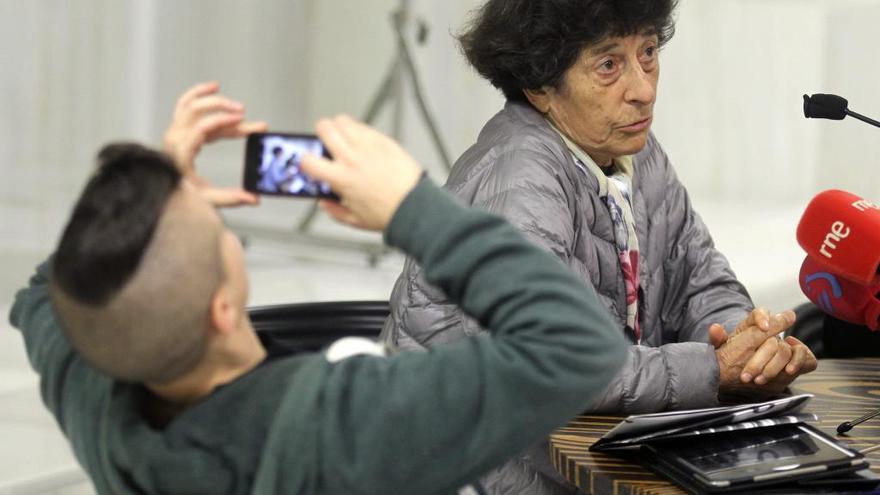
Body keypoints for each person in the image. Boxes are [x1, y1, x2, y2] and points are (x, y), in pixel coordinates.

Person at [9, 82, 632, 494]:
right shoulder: (343, 422)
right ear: (224, 310)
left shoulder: (97, 402)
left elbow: (44, 293)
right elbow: (579, 346)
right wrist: (413, 210)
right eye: (211, 225)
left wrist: (157, 196)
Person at [379, 1, 818, 492]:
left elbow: (696, 276)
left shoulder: (635, 150)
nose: (644, 90)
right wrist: (715, 369)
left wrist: (749, 344)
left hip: (576, 452)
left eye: (648, 52)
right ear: (540, 85)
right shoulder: (520, 178)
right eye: (608, 64)